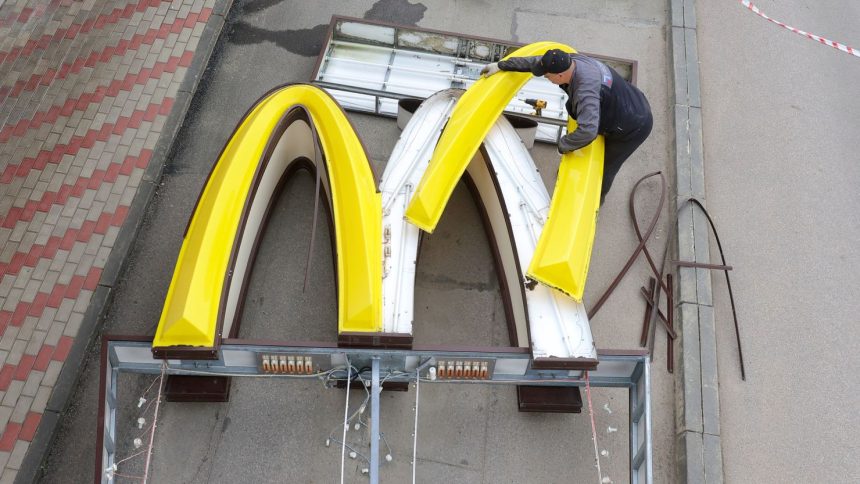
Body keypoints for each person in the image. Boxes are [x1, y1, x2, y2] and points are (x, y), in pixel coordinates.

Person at [481, 49, 652, 204]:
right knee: (573, 108)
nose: (547, 79)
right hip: (629, 100)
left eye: (548, 77)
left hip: (634, 125)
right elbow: (534, 62)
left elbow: (588, 131)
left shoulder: (585, 91)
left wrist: (564, 144)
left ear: (560, 75)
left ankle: (594, 201)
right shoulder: (568, 60)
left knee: (606, 166)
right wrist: (500, 65)